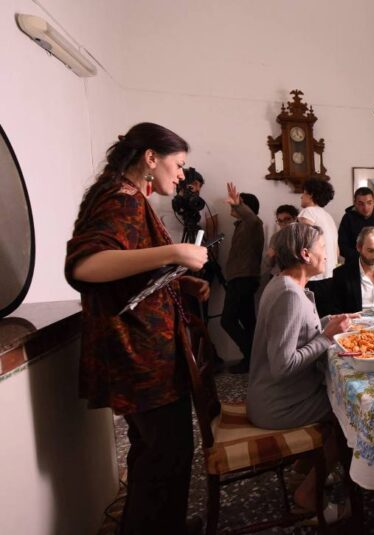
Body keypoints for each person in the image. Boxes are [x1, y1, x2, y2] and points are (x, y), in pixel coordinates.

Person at [65, 123, 209, 534]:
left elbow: (127, 269)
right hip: (142, 357)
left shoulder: (122, 194)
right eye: (178, 164)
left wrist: (178, 278)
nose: (181, 174)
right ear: (150, 157)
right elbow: (86, 265)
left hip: (145, 355)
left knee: (154, 457)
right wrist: (175, 251)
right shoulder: (121, 198)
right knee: (167, 457)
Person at [247, 222, 352, 519]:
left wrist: (331, 321)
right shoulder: (290, 295)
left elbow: (300, 331)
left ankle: (302, 470)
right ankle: (308, 493)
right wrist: (327, 337)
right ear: (305, 254)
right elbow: (283, 365)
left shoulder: (283, 283)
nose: (327, 254)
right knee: (348, 414)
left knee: (340, 403)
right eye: (322, 248)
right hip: (276, 403)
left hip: (272, 395)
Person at [221, 183, 264, 374]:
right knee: (249, 322)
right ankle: (254, 360)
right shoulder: (242, 226)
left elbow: (254, 220)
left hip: (243, 279)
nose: (231, 207)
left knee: (227, 320)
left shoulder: (252, 224)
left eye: (237, 205)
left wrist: (238, 204)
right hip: (241, 279)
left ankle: (250, 357)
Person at [338, 186, 374, 265]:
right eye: (361, 204)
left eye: (369, 203)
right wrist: (362, 257)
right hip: (354, 265)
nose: (365, 208)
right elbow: (342, 245)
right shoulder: (348, 218)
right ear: (355, 203)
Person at [297, 178, 339, 279]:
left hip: (314, 276)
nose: (301, 196)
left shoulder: (307, 212)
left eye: (304, 192)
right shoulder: (328, 216)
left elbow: (304, 242)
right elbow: (337, 250)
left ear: (310, 194)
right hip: (330, 274)